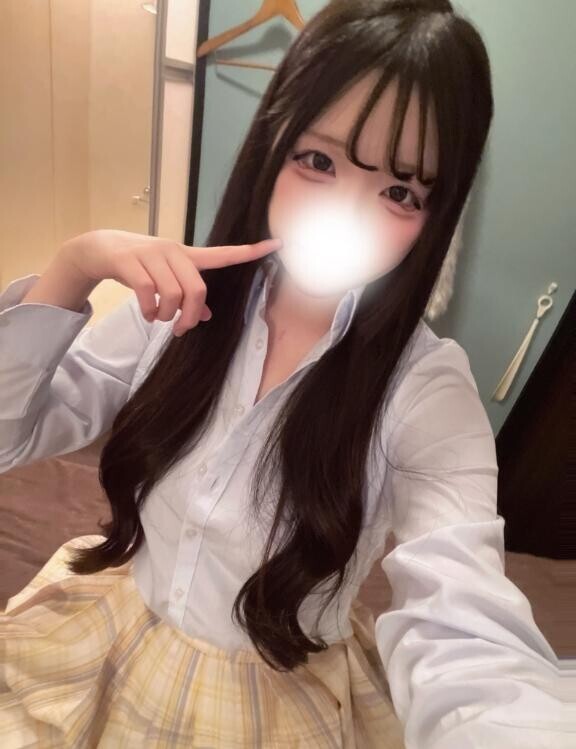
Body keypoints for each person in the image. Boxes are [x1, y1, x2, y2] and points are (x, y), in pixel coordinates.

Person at [0, 0, 571, 747]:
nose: (348, 214)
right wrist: (75, 266)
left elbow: (462, 620)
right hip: (113, 628)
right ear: (273, 144)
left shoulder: (425, 391)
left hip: (274, 691)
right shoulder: (177, 307)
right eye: (319, 162)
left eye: (400, 192)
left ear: (437, 215)